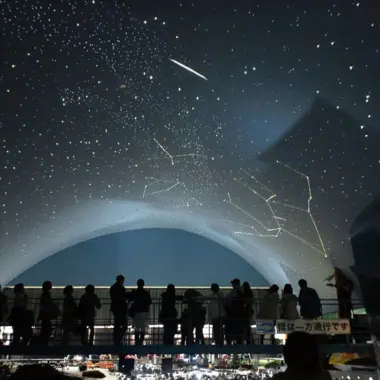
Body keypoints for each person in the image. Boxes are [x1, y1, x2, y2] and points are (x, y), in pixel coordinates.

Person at [129, 279, 152, 345]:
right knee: (143, 328)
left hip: (136, 312)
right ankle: (141, 341)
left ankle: (137, 341)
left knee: (136, 327)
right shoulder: (146, 293)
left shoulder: (135, 293)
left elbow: (130, 299)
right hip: (144, 312)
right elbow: (149, 302)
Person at [38, 281, 60, 345]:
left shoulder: (45, 293)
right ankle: (43, 343)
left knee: (46, 328)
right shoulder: (46, 294)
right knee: (47, 328)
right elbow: (48, 302)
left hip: (45, 313)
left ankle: (43, 343)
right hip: (46, 313)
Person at [224, 278, 245, 345]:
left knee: (231, 328)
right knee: (238, 329)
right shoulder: (242, 291)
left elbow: (227, 298)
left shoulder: (236, 291)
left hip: (234, 313)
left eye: (233, 284)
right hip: (240, 313)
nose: (232, 285)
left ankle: (230, 342)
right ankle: (239, 342)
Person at [110, 275, 129, 345]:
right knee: (124, 325)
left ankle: (116, 339)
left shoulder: (113, 287)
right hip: (121, 308)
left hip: (116, 308)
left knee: (117, 325)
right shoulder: (121, 288)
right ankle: (118, 339)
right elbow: (123, 296)